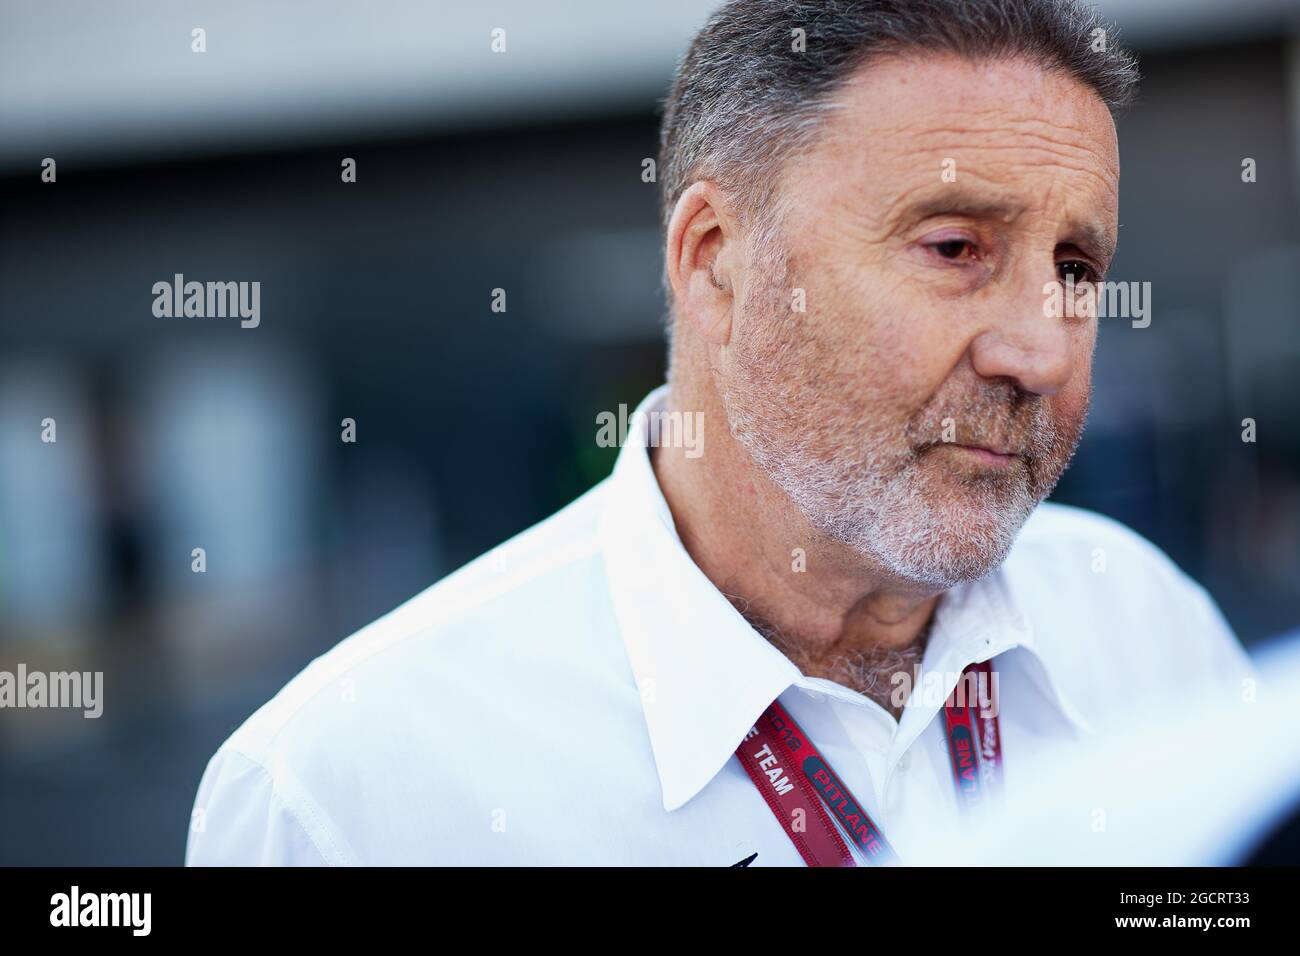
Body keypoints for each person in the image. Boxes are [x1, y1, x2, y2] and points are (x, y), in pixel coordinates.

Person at [187, 0, 1252, 866]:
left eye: (1075, 268)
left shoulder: (1150, 633)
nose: (1043, 352)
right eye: (953, 246)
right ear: (712, 261)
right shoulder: (345, 792)